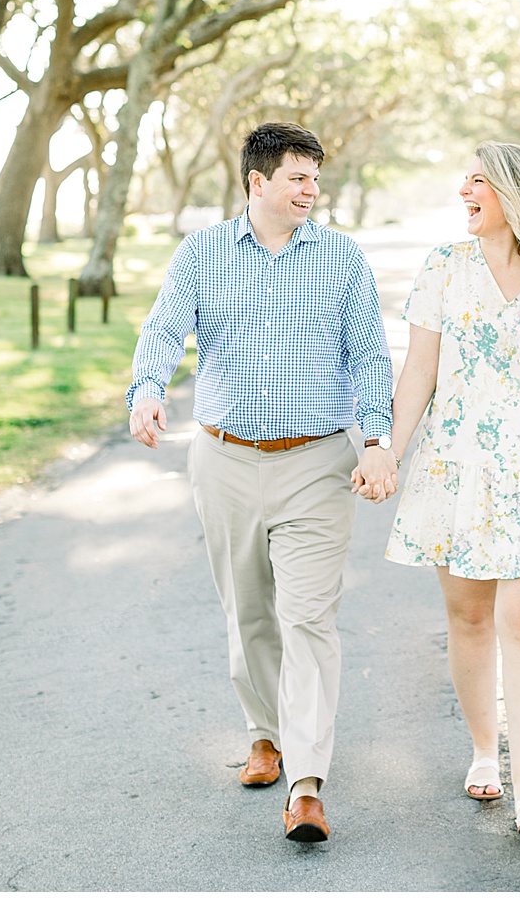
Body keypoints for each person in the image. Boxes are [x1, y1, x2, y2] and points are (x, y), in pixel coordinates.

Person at [127, 121, 393, 844]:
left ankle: (306, 783)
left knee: (308, 619)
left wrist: (377, 441)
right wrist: (147, 389)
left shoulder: (341, 258)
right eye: (298, 178)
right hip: (225, 460)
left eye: (315, 179)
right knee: (248, 612)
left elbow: (370, 356)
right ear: (257, 181)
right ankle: (266, 734)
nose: (311, 190)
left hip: (317, 463)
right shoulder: (202, 252)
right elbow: (163, 328)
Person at [359, 141, 520, 834]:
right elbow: (419, 371)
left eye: (477, 182)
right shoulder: (444, 266)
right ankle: (481, 752)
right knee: (469, 619)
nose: (463, 193)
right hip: (456, 468)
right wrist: (387, 451)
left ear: (512, 191)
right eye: (464, 182)